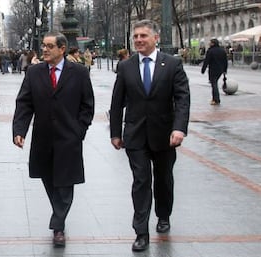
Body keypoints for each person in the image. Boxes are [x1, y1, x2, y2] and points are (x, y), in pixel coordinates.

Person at [109, 20, 190, 252]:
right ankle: (141, 232)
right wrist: (115, 132)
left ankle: (163, 215)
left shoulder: (172, 64)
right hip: (135, 135)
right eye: (135, 36)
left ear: (156, 37)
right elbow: (117, 102)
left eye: (143, 36)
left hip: (165, 135)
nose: (138, 40)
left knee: (163, 179)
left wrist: (179, 128)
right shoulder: (125, 66)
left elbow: (182, 99)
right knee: (141, 182)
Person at [12, 31, 95, 247]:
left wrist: (79, 131)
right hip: (43, 138)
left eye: (50, 46)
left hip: (69, 139)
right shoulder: (34, 72)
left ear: (62, 49)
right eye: (44, 46)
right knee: (49, 180)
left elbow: (88, 105)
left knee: (65, 183)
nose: (45, 50)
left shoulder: (78, 73)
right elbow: (24, 103)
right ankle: (59, 215)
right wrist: (19, 130)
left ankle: (58, 226)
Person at [201, 38, 228, 105]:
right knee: (214, 83)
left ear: (213, 43)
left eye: (210, 42)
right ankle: (215, 99)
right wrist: (225, 70)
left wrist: (203, 69)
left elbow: (206, 61)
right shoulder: (222, 51)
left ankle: (216, 99)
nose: (209, 44)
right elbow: (225, 61)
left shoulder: (210, 51)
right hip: (220, 70)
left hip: (213, 70)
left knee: (214, 84)